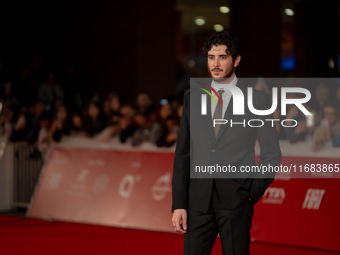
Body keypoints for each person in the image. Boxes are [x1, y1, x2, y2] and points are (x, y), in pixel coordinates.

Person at [171, 31, 282, 255]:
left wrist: (251, 192)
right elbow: (183, 155)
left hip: (236, 200)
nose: (216, 63)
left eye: (223, 57)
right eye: (212, 57)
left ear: (236, 60)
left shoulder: (257, 100)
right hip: (198, 201)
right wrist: (179, 204)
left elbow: (271, 154)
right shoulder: (193, 99)